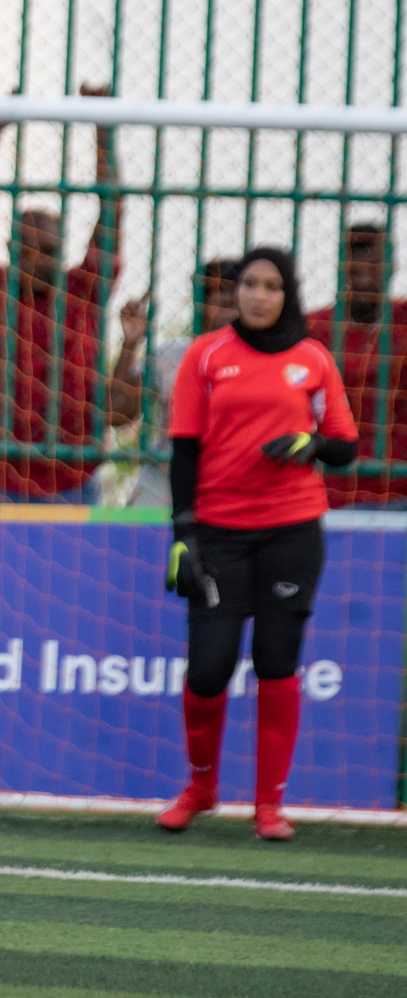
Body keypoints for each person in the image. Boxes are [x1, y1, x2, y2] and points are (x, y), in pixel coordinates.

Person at [160, 247, 357, 841]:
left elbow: (345, 446)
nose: (259, 295)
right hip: (218, 534)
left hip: (292, 531)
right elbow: (184, 451)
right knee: (208, 668)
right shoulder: (206, 354)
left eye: (272, 286)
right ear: (236, 291)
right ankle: (200, 788)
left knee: (277, 663)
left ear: (288, 293)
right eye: (249, 284)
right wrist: (182, 535)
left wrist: (310, 445)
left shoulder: (313, 359)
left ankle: (269, 806)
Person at [0, 84, 123, 504]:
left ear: (64, 251)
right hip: (4, 475)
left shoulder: (84, 289)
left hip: (75, 476)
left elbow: (112, 208)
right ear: (12, 251)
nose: (39, 260)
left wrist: (102, 129)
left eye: (49, 250)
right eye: (28, 249)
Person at [109, 259, 240, 507]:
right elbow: (117, 413)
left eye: (235, 299)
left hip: (230, 492)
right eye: (222, 298)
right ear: (201, 305)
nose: (232, 310)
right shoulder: (171, 355)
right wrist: (130, 342)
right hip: (163, 487)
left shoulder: (266, 363)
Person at [305, 223, 407, 509]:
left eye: (373, 264)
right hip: (329, 488)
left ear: (391, 266)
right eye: (355, 266)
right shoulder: (314, 326)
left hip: (397, 489)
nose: (363, 276)